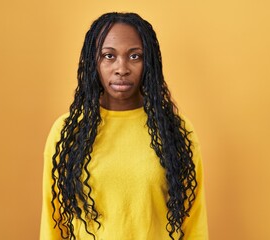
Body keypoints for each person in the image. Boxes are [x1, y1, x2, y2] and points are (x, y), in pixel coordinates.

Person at [40, 12, 208, 240]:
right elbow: (53, 221)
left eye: (135, 56)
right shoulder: (68, 131)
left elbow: (193, 221)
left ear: (149, 63)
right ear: (94, 62)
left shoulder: (175, 131)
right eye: (109, 56)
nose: (122, 68)